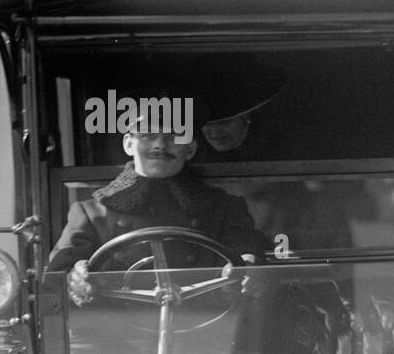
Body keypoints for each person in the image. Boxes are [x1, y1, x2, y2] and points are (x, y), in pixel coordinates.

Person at [49, 121, 265, 303]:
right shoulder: (90, 213)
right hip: (115, 339)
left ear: (189, 149)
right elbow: (60, 274)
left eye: (173, 136)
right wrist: (75, 277)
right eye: (148, 135)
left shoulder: (225, 208)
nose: (160, 145)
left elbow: (246, 253)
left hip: (204, 336)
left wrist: (245, 269)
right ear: (128, 144)